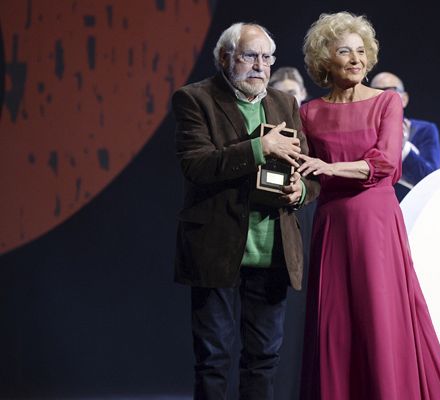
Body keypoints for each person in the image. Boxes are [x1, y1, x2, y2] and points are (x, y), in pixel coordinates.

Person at [295, 12, 440, 400]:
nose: (355, 58)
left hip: (376, 222)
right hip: (332, 225)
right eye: (344, 51)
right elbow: (307, 174)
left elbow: (386, 163)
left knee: (382, 319)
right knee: (336, 325)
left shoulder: (386, 102)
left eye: (361, 51)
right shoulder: (309, 112)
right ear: (324, 60)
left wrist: (329, 167)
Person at [172, 22, 319, 399]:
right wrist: (260, 148)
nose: (260, 66)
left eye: (267, 57)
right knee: (213, 357)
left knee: (264, 358)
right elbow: (197, 165)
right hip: (216, 248)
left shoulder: (285, 103)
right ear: (226, 58)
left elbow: (308, 169)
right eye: (250, 56)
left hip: (272, 250)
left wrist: (301, 190)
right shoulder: (195, 99)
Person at [370, 71, 440, 200]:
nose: (380, 98)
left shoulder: (424, 130)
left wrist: (403, 148)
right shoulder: (364, 133)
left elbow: (432, 180)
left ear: (404, 99)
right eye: (374, 92)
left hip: (411, 207)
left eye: (389, 92)